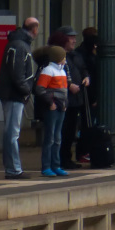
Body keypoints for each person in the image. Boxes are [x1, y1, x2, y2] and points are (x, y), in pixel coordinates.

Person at [0, 16, 39, 179]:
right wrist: (26, 90)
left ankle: (12, 168)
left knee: (11, 133)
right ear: (34, 29)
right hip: (14, 94)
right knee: (12, 133)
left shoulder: (17, 44)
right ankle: (13, 169)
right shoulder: (20, 46)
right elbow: (17, 74)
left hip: (12, 93)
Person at [57, 26, 91, 169]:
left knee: (71, 131)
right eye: (71, 38)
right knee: (64, 131)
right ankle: (61, 159)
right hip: (64, 100)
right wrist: (69, 85)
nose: (74, 40)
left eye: (74, 37)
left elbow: (83, 69)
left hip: (77, 99)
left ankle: (67, 158)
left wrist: (86, 77)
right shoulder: (58, 55)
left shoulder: (76, 55)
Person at [34, 45, 69, 177]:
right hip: (52, 107)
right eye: (63, 57)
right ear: (58, 57)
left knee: (57, 137)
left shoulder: (62, 71)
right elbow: (40, 89)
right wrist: (50, 102)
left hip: (60, 107)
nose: (65, 59)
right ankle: (47, 166)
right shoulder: (48, 70)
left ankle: (56, 165)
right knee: (50, 137)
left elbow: (64, 91)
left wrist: (65, 104)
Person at [74, 27, 99, 162]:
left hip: (87, 93)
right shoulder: (87, 55)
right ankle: (84, 151)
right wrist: (94, 97)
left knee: (87, 124)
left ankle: (84, 151)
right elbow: (92, 74)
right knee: (88, 124)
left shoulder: (80, 52)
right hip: (88, 94)